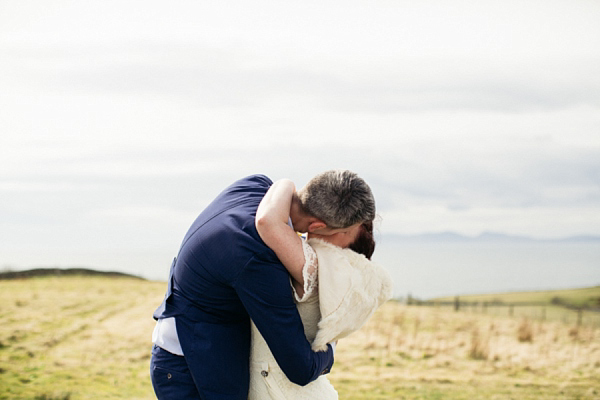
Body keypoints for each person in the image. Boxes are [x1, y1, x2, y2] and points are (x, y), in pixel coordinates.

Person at [150, 170, 376, 400]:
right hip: (190, 370)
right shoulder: (259, 260)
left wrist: (286, 183)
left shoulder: (256, 185)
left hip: (180, 344)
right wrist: (331, 344)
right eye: (344, 231)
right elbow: (301, 367)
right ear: (316, 226)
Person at [248, 179, 393, 399]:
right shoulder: (351, 280)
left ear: (348, 240)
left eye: (346, 228)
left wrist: (286, 183)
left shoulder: (320, 264)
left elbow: (268, 221)